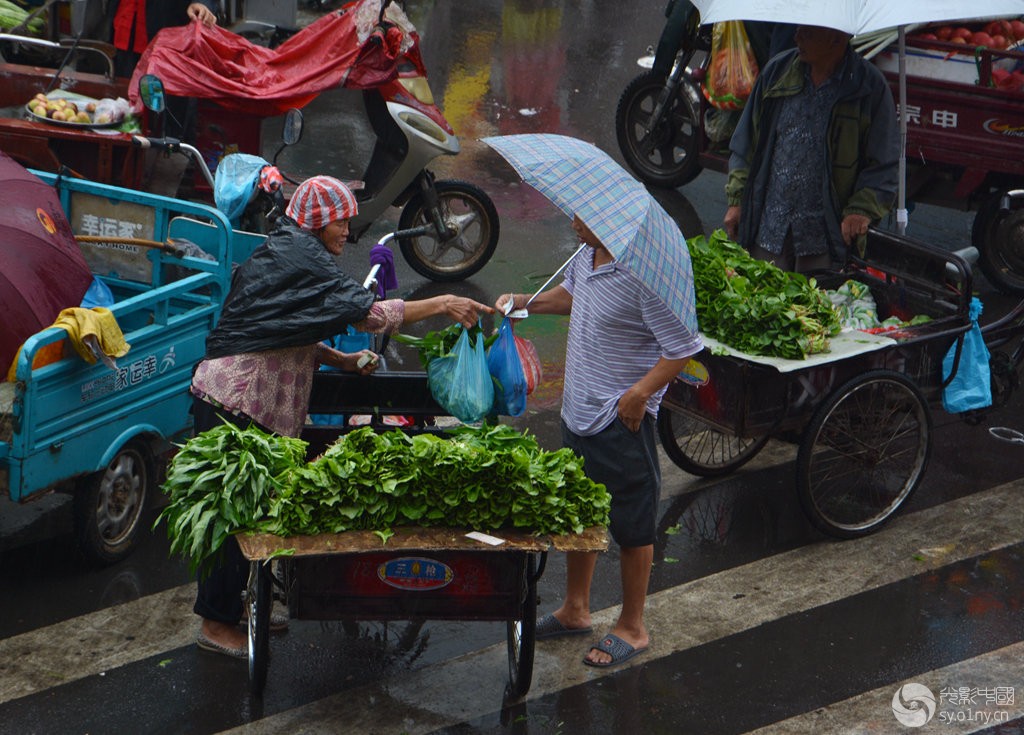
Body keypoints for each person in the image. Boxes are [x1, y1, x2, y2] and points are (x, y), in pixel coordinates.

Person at [191, 176, 493, 657]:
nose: (347, 232)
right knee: (233, 520)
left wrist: (343, 362)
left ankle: (239, 605)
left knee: (251, 514)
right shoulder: (302, 257)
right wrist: (443, 302)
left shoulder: (289, 250)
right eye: (342, 220)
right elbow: (367, 316)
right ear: (318, 219)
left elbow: (289, 331)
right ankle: (215, 622)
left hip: (245, 401)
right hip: (237, 401)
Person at [495, 214, 702, 668]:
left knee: (632, 522)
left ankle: (633, 626)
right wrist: (523, 302)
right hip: (578, 409)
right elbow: (573, 296)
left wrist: (639, 395)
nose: (573, 223)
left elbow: (683, 346)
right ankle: (575, 609)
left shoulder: (644, 274)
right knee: (580, 513)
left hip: (619, 418)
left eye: (583, 218)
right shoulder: (586, 256)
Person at [723, 24, 900, 272]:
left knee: (813, 308)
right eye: (797, 29)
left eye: (808, 32)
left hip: (824, 242)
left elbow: (884, 165)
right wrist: (737, 199)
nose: (797, 37)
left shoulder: (868, 87)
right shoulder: (777, 72)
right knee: (761, 303)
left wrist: (861, 211)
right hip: (769, 231)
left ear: (837, 38)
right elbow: (745, 144)